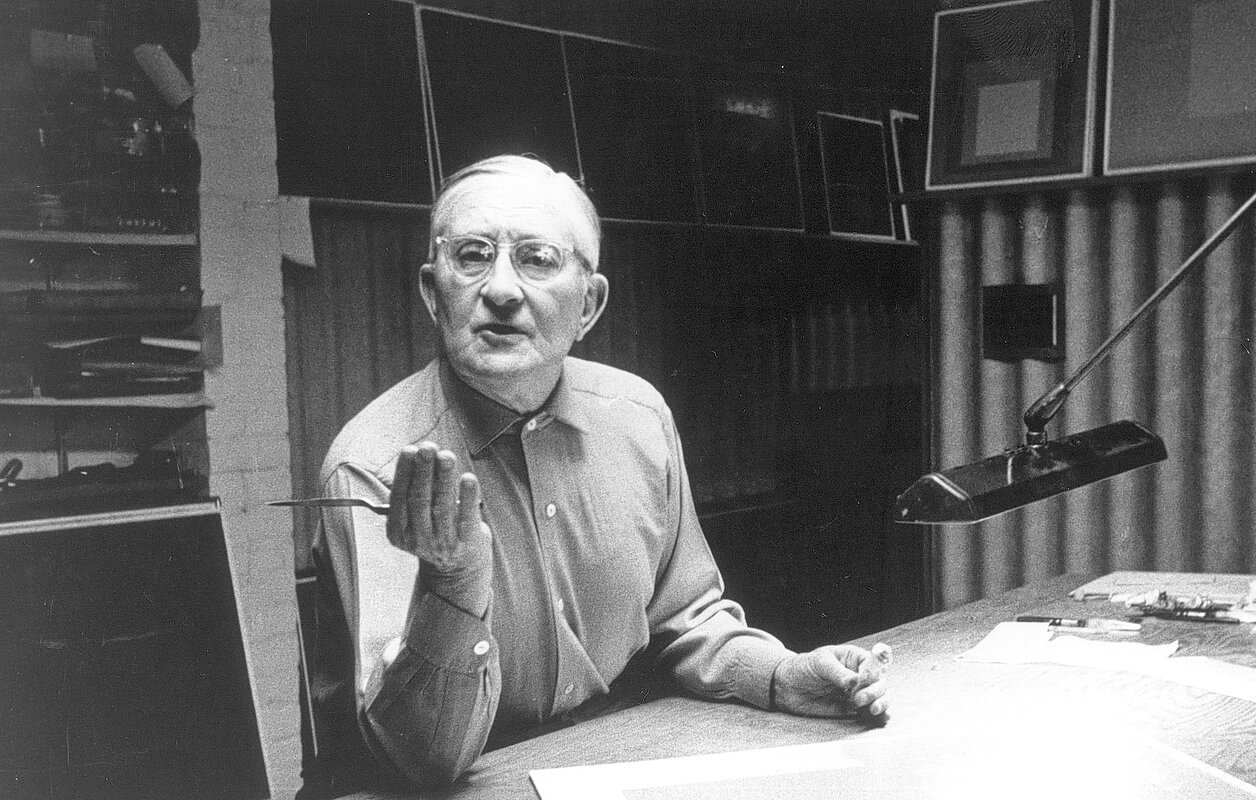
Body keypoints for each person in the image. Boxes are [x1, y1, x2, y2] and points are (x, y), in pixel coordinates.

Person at [306, 154, 891, 791]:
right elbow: (420, 755)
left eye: (537, 258)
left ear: (589, 304)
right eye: (472, 254)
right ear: (431, 292)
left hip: (604, 757)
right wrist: (454, 584)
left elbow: (688, 620)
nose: (501, 289)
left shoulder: (639, 417)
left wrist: (783, 677)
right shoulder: (373, 466)